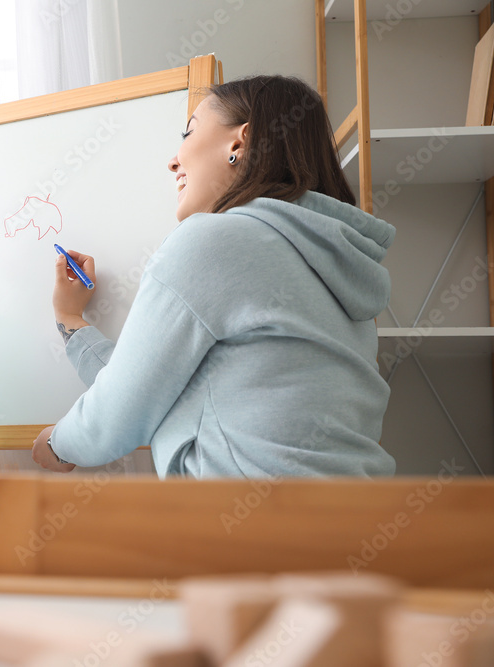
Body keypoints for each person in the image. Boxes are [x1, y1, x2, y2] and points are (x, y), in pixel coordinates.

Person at [31, 75, 396, 478]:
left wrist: (57, 445)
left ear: (239, 142)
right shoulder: (334, 261)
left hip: (257, 527)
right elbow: (146, 382)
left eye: (188, 132)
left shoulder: (213, 240)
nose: (173, 160)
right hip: (357, 516)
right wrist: (73, 323)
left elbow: (122, 410)